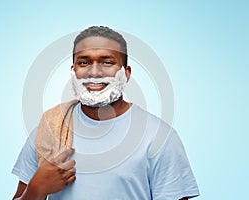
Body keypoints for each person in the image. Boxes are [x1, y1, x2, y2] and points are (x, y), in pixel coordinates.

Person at [12, 26, 200, 200]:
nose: (94, 72)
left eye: (107, 62)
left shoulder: (159, 137)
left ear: (126, 73)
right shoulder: (50, 129)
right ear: (73, 71)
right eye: (84, 62)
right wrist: (36, 189)